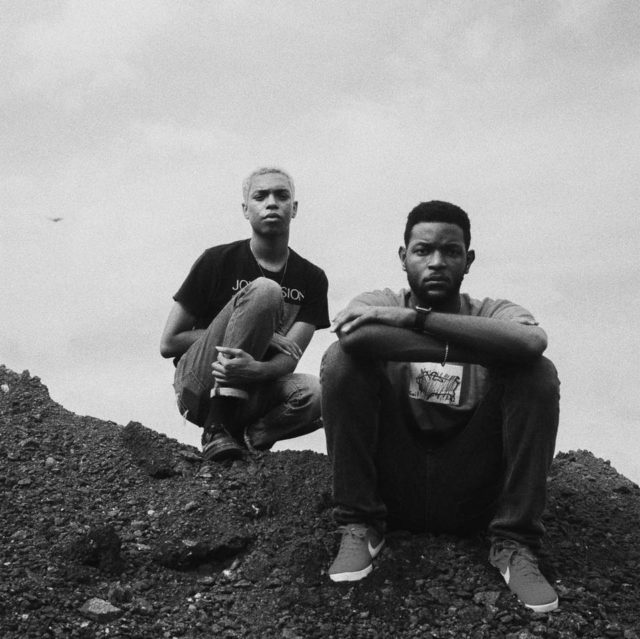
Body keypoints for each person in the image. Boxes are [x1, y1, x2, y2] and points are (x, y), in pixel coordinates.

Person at [321, 201, 560, 613]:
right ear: (403, 257)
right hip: (395, 479)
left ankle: (515, 543)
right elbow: (354, 337)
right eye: (423, 250)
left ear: (468, 260)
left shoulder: (492, 311)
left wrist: (416, 321)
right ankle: (360, 524)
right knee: (341, 361)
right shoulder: (380, 300)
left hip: (472, 488)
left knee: (536, 373)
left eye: (450, 251)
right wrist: (481, 346)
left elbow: (531, 342)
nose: (436, 262)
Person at [160, 167, 329, 461]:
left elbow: (289, 359)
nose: (271, 203)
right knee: (266, 290)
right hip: (200, 383)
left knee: (319, 392)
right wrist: (266, 335)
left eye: (281, 195)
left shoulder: (312, 278)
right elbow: (169, 342)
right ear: (245, 209)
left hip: (255, 388)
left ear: (294, 208)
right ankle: (215, 426)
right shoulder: (217, 260)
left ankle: (251, 438)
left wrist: (255, 370)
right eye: (260, 196)